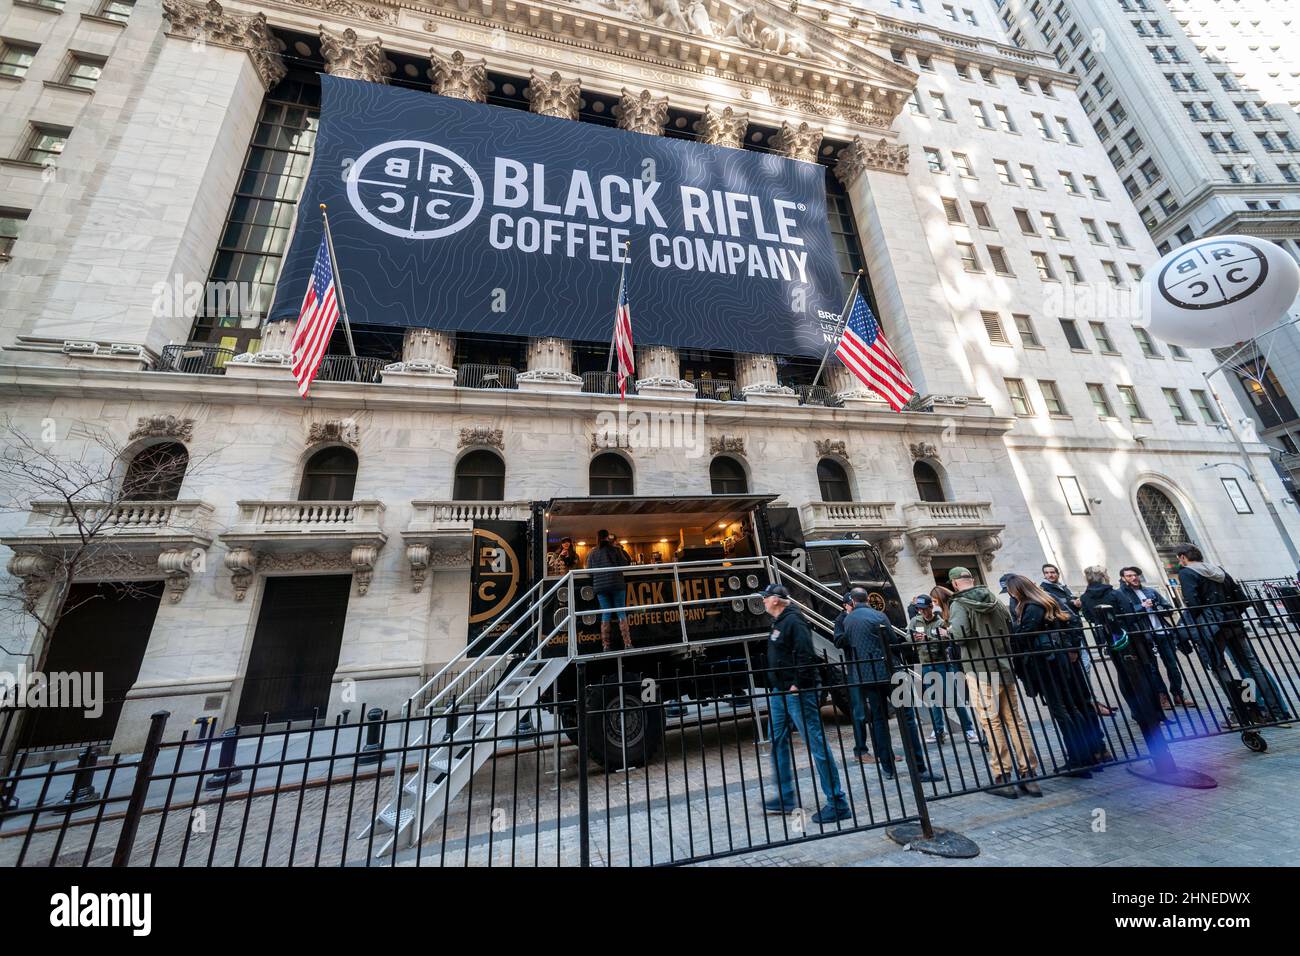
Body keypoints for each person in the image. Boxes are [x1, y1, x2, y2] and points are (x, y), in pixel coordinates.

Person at [758, 584, 851, 824]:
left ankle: (837, 801)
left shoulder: (795, 621)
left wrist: (797, 684)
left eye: (765, 598)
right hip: (780, 692)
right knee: (776, 739)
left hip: (797, 692)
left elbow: (806, 653)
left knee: (815, 741)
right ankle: (785, 797)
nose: (763, 601)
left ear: (777, 600)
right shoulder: (778, 622)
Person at [946, 567, 1042, 798]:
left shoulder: (959, 604)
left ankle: (1002, 776)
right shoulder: (996, 601)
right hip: (1004, 666)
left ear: (955, 584)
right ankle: (1029, 775)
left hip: (979, 669)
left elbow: (960, 636)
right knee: (1014, 721)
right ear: (972, 580)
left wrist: (948, 631)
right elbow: (1010, 628)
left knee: (992, 723)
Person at [1175, 544, 1290, 723]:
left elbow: (1193, 603)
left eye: (1179, 558)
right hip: (1233, 622)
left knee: (1219, 668)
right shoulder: (1218, 570)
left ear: (1183, 557)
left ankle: (1243, 711)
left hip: (1212, 627)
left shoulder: (1187, 572)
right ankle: (1273, 709)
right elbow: (1240, 598)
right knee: (1250, 666)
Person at [1005, 575, 1105, 777]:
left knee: (1062, 710)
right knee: (1071, 707)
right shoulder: (1045, 600)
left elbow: (1025, 636)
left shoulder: (1032, 606)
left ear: (1017, 590)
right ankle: (1086, 755)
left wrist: (1012, 628)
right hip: (1058, 660)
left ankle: (1079, 760)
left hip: (1046, 664)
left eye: (1010, 590)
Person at [841, 588, 943, 783]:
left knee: (879, 721)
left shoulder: (848, 620)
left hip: (867, 676)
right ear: (867, 599)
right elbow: (892, 639)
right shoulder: (879, 615)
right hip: (891, 671)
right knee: (908, 718)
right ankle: (919, 768)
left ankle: (887, 768)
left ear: (852, 602)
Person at [1118, 566, 1196, 709]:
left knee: (1172, 665)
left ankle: (1178, 694)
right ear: (1123, 578)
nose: (1134, 578)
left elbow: (1167, 607)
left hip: (1162, 633)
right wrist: (1142, 606)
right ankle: (1162, 696)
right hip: (1144, 636)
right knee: (1152, 668)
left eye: (1135, 575)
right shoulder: (1121, 595)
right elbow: (1124, 616)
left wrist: (1156, 607)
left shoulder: (1150, 591)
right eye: (1129, 576)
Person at [1043, 563, 1115, 719]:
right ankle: (1088, 702)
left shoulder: (1063, 587)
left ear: (1057, 573)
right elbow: (1058, 608)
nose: (1050, 575)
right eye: (1047, 573)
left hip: (1076, 632)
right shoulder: (1046, 589)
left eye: (1052, 572)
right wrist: (1072, 603)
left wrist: (1074, 601)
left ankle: (1090, 700)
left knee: (1085, 666)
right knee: (1080, 668)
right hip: (1067, 636)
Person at [908, 594, 978, 745]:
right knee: (933, 700)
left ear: (931, 607)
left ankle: (969, 729)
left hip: (942, 664)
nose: (923, 612)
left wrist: (928, 639)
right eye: (920, 609)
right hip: (925, 665)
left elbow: (949, 641)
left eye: (925, 609)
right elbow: (908, 637)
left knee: (953, 698)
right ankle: (939, 730)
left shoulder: (940, 622)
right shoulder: (915, 621)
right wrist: (914, 638)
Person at [833, 592, 873, 762]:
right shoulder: (841, 620)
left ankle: (883, 751)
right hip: (855, 670)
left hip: (870, 667)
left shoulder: (867, 615)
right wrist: (851, 629)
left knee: (877, 712)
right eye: (851, 603)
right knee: (859, 712)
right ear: (846, 605)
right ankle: (861, 750)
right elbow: (838, 641)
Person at [585, 529, 632, 652]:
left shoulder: (592, 553)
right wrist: (620, 549)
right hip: (616, 584)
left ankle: (606, 646)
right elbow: (626, 564)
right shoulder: (615, 549)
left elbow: (589, 572)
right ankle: (627, 643)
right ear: (607, 537)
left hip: (600, 587)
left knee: (606, 614)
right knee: (621, 612)